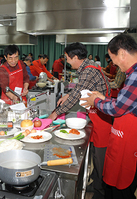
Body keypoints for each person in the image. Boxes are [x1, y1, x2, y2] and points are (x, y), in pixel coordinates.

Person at [80, 34, 137, 199]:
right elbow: (130, 105)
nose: (114, 64)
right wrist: (104, 98)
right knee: (115, 189)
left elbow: (117, 109)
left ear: (122, 53)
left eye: (113, 59)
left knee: (121, 193)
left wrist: (95, 101)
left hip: (135, 145)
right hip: (135, 141)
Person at [47, 42, 112, 199]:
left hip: (103, 119)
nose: (67, 61)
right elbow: (80, 89)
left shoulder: (88, 71)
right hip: (99, 116)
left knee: (100, 159)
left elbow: (77, 94)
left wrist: (54, 114)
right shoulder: (88, 65)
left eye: (68, 58)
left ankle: (100, 192)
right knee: (96, 157)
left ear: (75, 57)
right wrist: (69, 95)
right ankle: (95, 183)